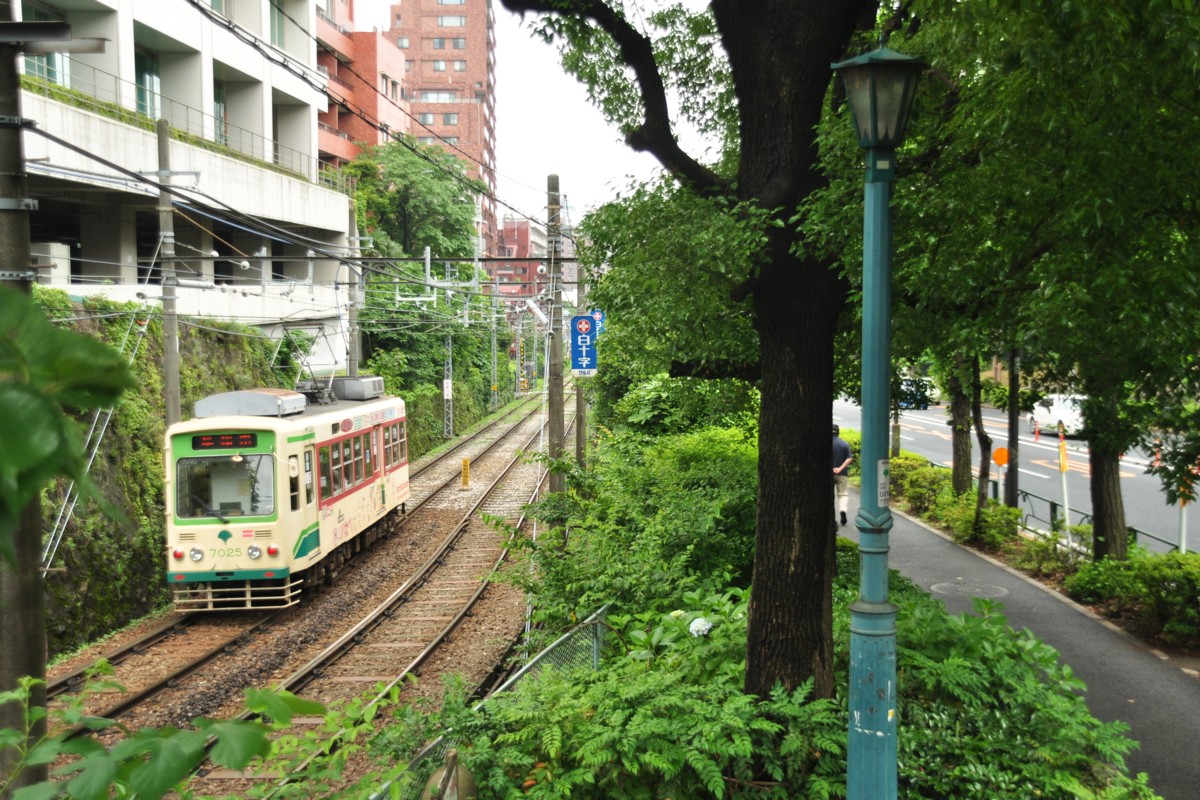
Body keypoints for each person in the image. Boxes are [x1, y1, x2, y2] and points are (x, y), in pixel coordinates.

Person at [832, 424, 852, 527]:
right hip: (842, 473)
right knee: (843, 494)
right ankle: (843, 510)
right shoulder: (844, 444)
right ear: (838, 432)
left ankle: (831, 518)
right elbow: (849, 458)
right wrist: (840, 468)